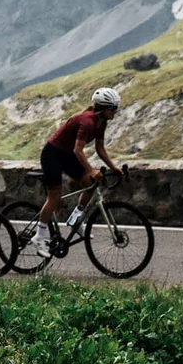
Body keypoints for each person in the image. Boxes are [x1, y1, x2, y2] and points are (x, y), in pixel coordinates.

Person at [35, 87, 126, 253]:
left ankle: (75, 218)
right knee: (54, 197)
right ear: (103, 107)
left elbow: (100, 148)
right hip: (53, 154)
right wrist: (91, 169)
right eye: (113, 108)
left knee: (91, 182)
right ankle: (39, 237)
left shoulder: (101, 123)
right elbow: (78, 150)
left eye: (116, 108)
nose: (115, 112)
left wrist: (114, 168)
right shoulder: (87, 121)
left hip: (67, 155)